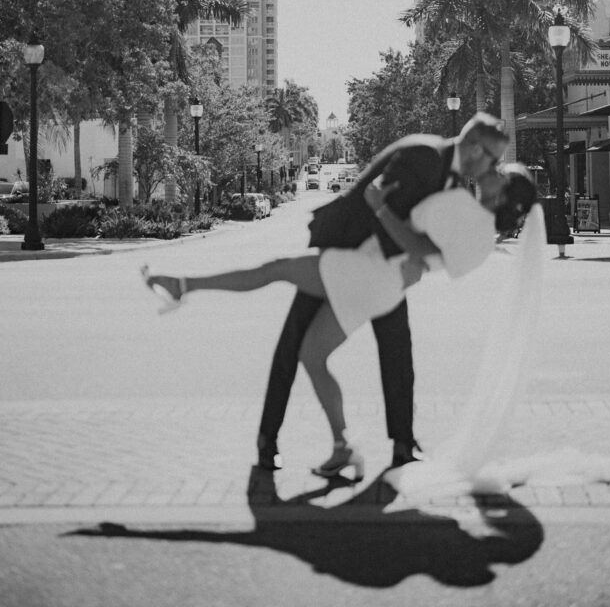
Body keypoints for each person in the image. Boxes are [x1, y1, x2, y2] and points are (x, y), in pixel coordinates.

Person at [142, 163, 535, 481]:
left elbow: (422, 249)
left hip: (372, 274)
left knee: (276, 270)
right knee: (312, 355)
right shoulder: (474, 219)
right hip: (379, 279)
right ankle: (342, 446)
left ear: (503, 194)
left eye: (501, 173)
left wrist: (380, 206)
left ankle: (183, 285)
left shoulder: (476, 227)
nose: (493, 169)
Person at [256, 112, 509, 472]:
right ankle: (268, 441)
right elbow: (378, 205)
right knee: (292, 345)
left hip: (379, 269)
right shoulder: (425, 156)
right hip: (343, 252)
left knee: (397, 351)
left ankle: (404, 444)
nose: (494, 166)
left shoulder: (449, 175)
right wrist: (411, 259)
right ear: (472, 146)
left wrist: (417, 260)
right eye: (493, 157)